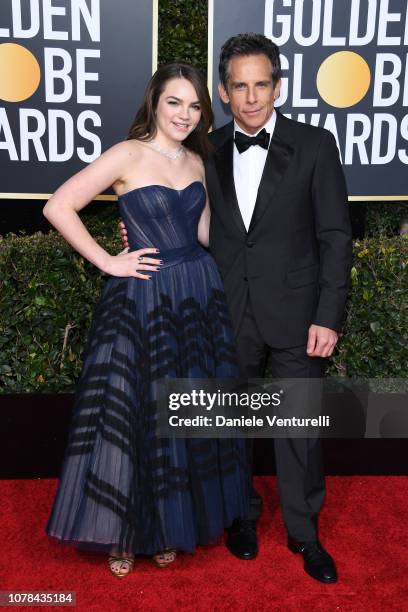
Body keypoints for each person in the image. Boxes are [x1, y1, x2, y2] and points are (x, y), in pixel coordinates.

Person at [121, 33, 354, 584]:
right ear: (224, 92)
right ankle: (240, 518)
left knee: (298, 428)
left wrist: (329, 314)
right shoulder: (207, 150)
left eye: (261, 85)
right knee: (233, 427)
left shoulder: (316, 144)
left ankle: (304, 534)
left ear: (278, 86)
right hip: (226, 309)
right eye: (239, 86)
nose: (251, 97)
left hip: (300, 315)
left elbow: (336, 237)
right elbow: (184, 218)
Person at [44, 62, 250, 578]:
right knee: (133, 414)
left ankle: (165, 527)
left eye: (195, 105)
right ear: (155, 102)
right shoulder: (127, 153)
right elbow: (59, 205)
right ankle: (124, 531)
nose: (185, 114)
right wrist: (111, 260)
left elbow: (204, 233)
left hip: (197, 293)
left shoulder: (200, 161)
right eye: (174, 102)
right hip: (143, 297)